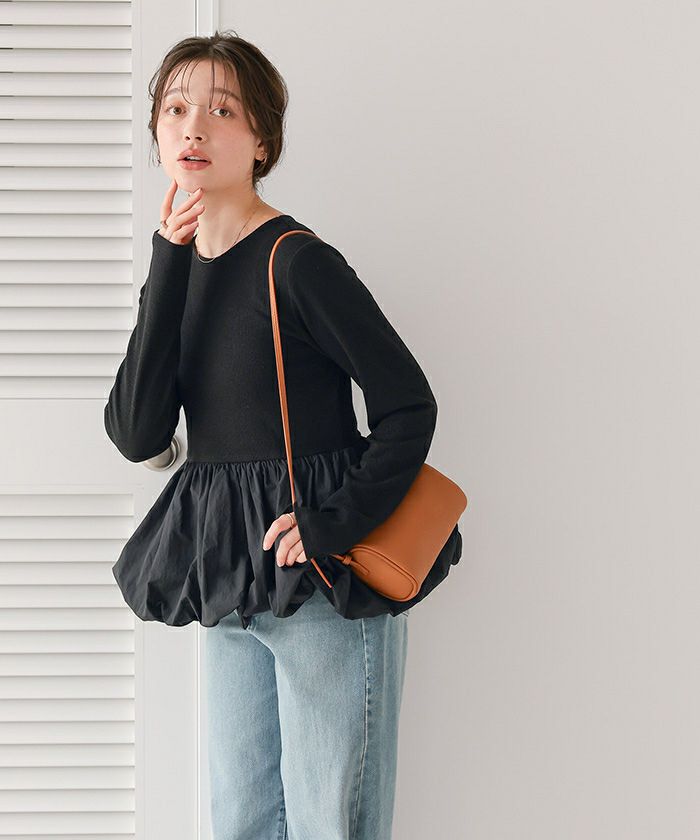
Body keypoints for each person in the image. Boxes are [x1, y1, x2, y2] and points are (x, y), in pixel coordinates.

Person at [103, 30, 462, 840]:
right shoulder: (176, 267)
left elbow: (409, 405)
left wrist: (335, 522)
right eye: (175, 109)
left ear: (262, 140)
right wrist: (167, 260)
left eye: (222, 110)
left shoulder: (299, 263)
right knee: (240, 823)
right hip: (229, 579)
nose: (193, 127)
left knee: (332, 824)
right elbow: (136, 431)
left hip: (323, 582)